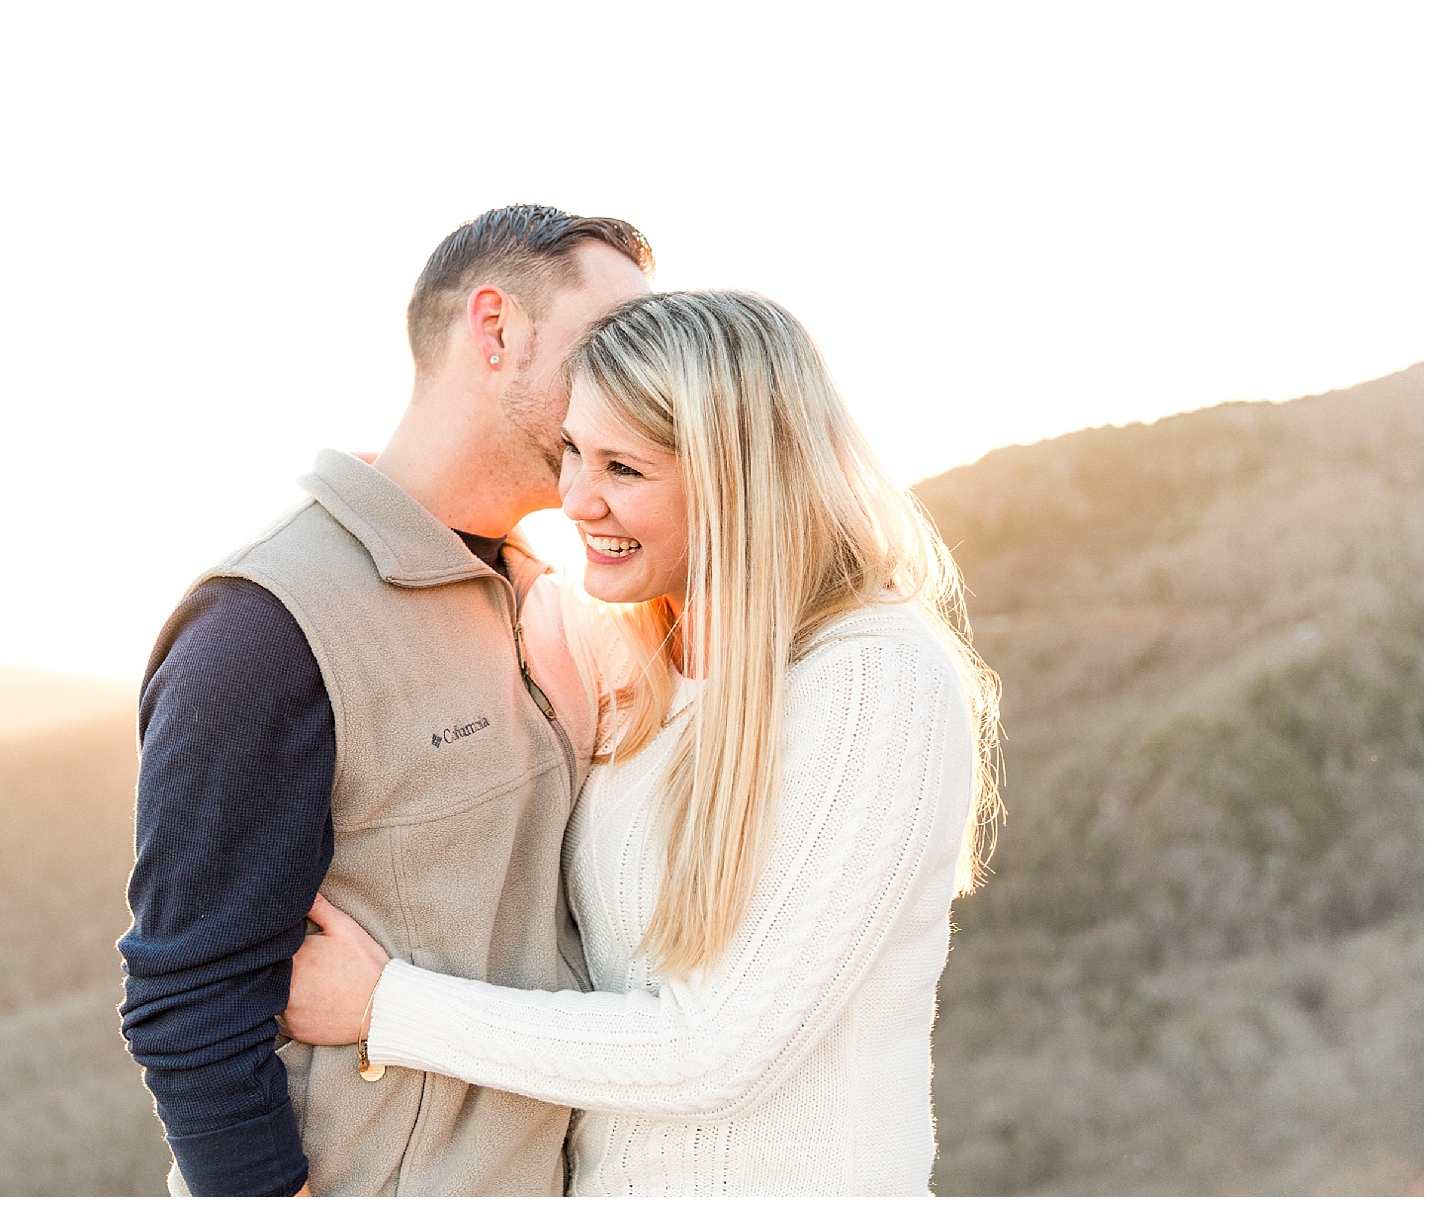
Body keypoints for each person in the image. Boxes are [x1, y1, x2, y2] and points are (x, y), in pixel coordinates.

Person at [281, 290, 1003, 1196]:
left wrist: (386, 1006)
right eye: (573, 451)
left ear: (741, 480)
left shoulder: (872, 681)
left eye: (624, 467)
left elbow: (716, 1050)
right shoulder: (640, 657)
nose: (579, 498)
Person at [116, 205, 654, 1196]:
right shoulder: (267, 628)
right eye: (610, 345)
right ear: (494, 330)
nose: (640, 382)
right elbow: (189, 1004)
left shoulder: (551, 599)